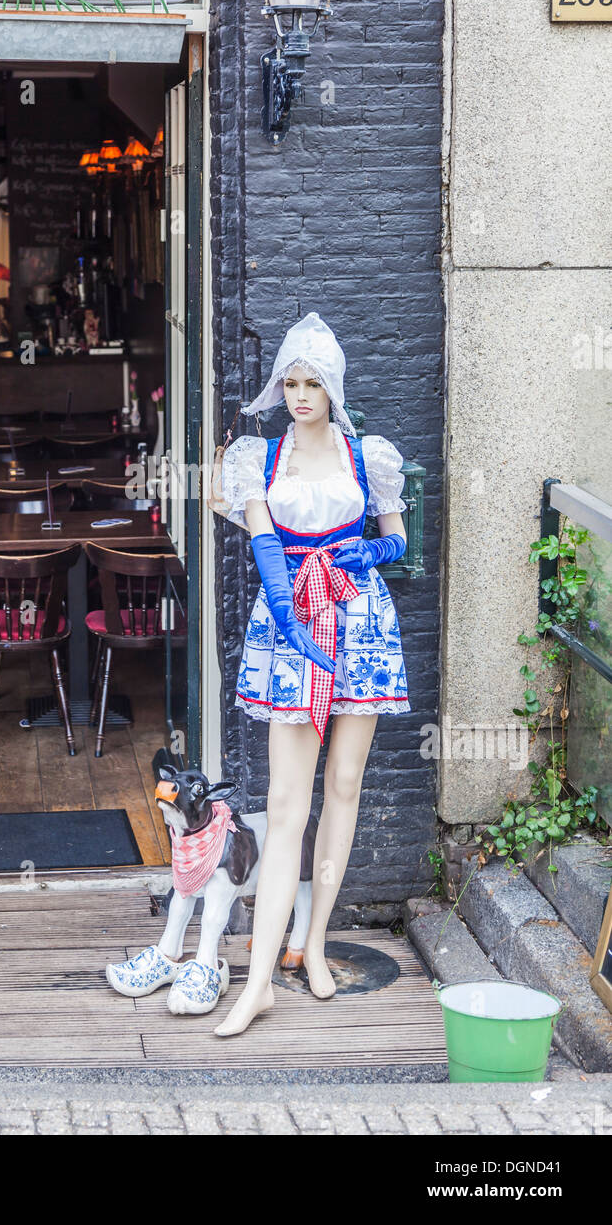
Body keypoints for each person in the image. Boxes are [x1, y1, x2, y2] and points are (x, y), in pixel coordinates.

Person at [209, 311, 410, 1036]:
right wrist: (291, 617)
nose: (298, 395)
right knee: (288, 802)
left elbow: (397, 536)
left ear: (333, 389)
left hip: (359, 619)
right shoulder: (256, 458)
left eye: (311, 383)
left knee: (346, 786)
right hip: (291, 621)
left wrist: (375, 556)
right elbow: (264, 542)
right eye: (289, 381)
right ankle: (257, 981)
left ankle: (314, 942)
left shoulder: (369, 457)